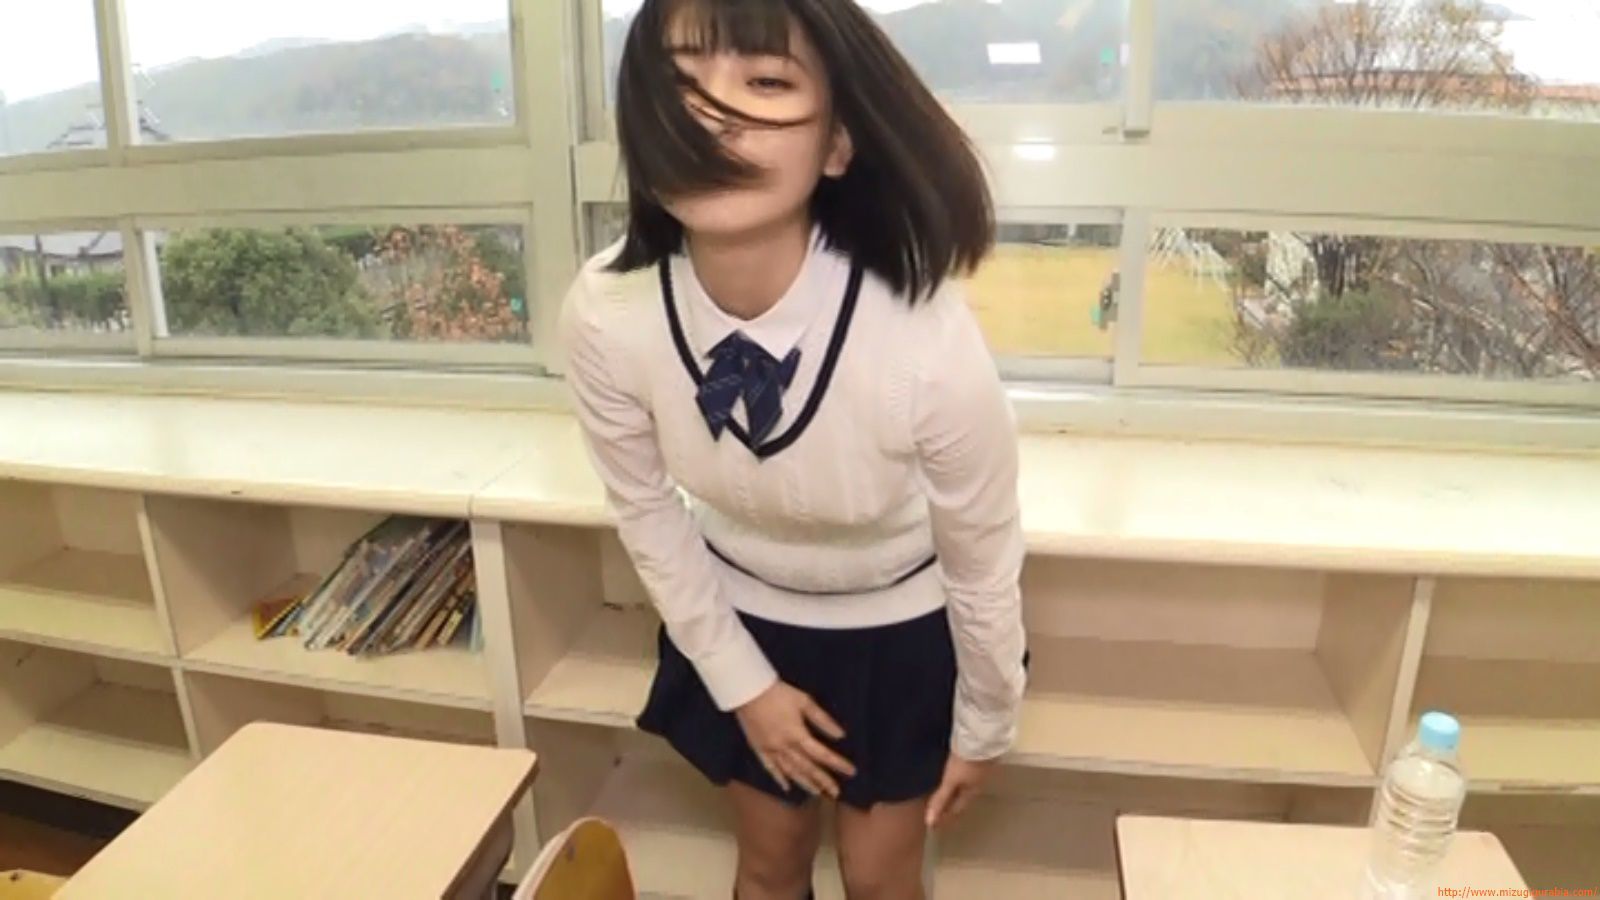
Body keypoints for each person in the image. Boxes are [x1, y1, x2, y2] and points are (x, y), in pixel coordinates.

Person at [558, 1, 1027, 897]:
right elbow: (647, 513)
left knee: (879, 877)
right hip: (740, 613)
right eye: (680, 86)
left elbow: (982, 554)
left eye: (766, 81)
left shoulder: (920, 334)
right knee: (770, 863)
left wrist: (984, 722)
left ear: (837, 144)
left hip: (900, 627)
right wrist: (744, 685)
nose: (713, 116)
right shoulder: (606, 314)